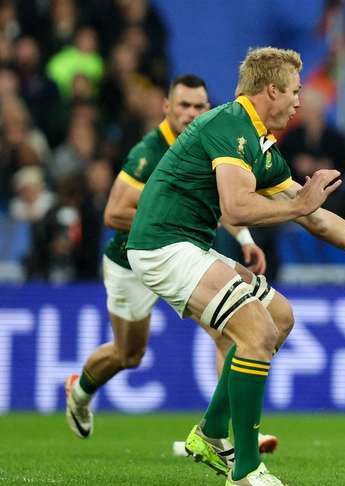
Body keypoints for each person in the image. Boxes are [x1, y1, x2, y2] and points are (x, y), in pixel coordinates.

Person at [125, 47, 345, 486]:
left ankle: (210, 433)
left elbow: (315, 217)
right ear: (271, 90)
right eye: (295, 91)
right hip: (163, 245)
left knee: (280, 317)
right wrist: (301, 205)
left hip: (188, 244)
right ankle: (246, 471)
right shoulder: (229, 125)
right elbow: (235, 205)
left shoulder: (263, 146)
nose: (299, 102)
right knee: (257, 335)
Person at [62, 74, 278, 453]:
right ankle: (80, 391)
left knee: (230, 331)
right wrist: (165, 221)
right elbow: (113, 213)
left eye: (199, 106)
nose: (192, 112)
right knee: (128, 354)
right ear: (166, 107)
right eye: (184, 105)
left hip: (183, 255)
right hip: (132, 261)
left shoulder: (210, 140)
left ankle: (224, 430)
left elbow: (216, 196)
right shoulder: (148, 151)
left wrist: (244, 238)